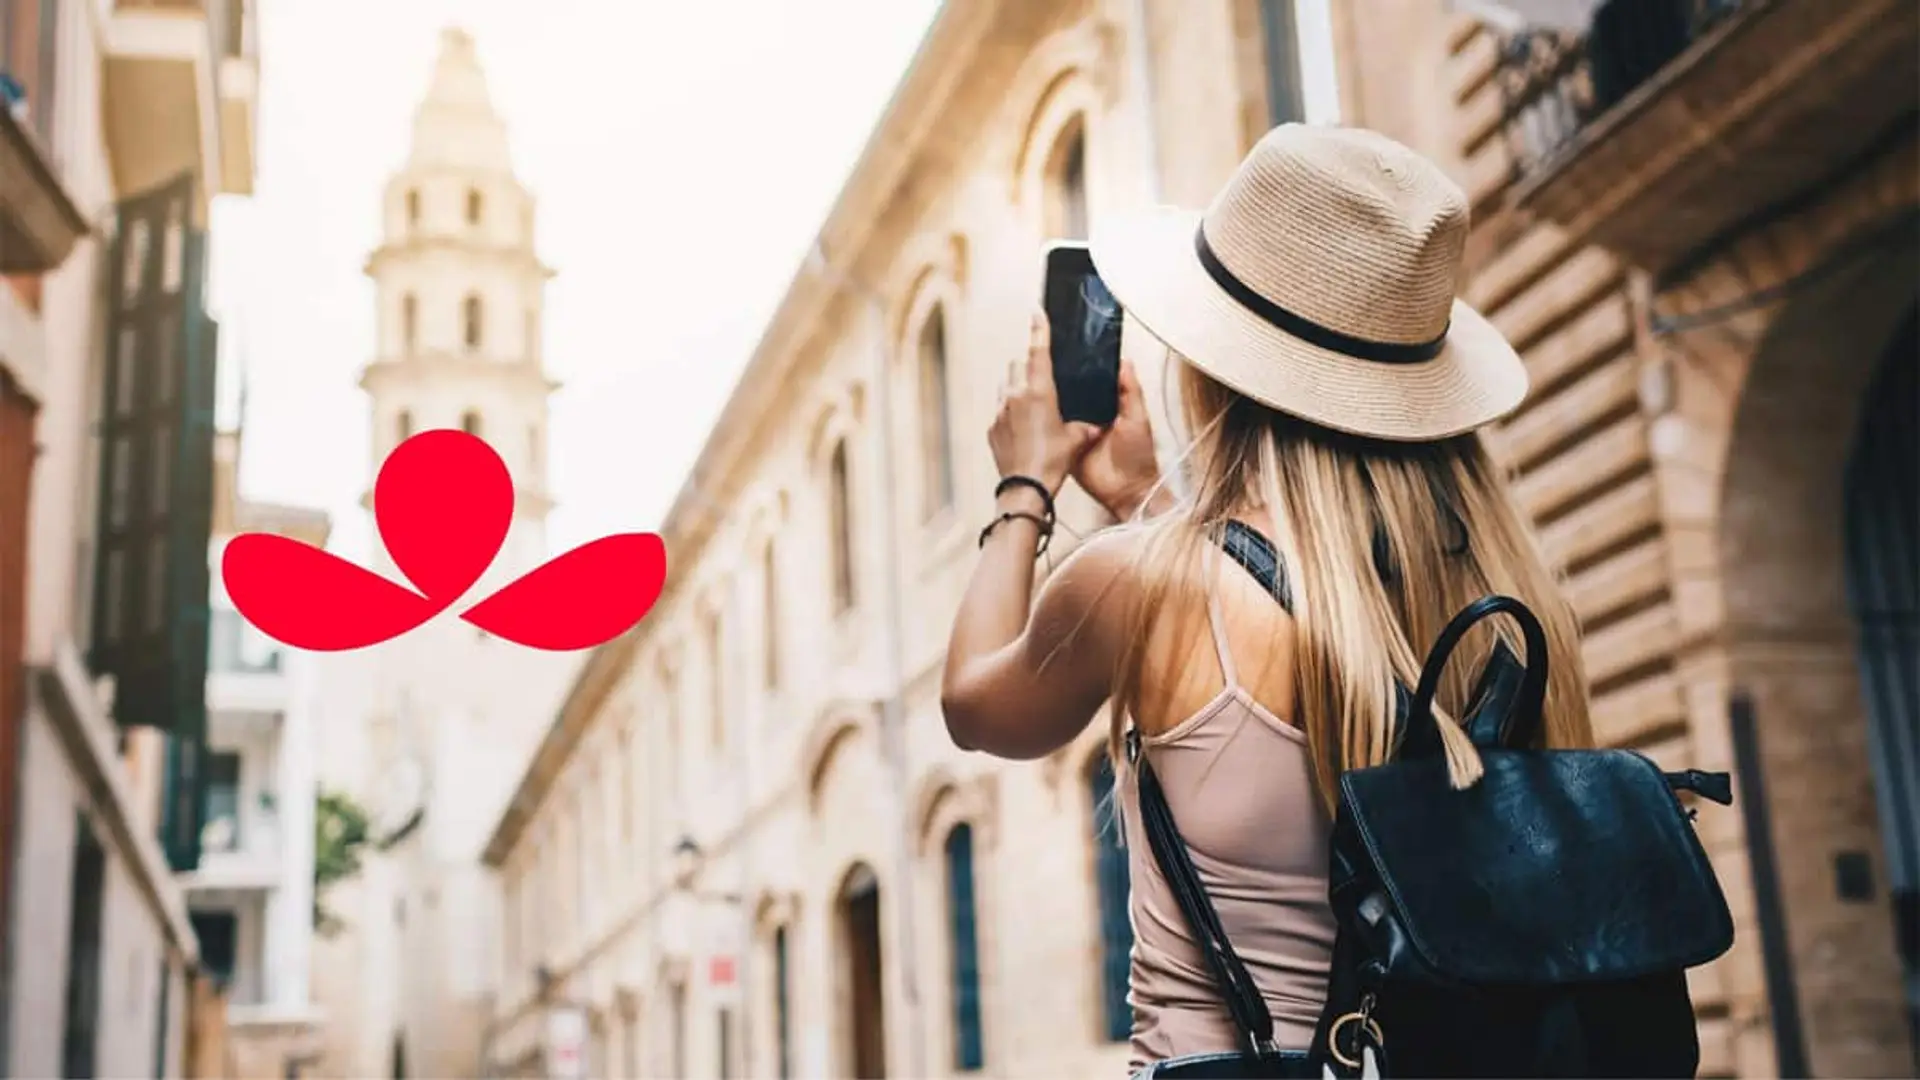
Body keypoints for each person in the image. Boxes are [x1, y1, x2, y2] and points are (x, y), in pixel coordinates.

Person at [939, 124, 1597, 1078]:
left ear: (1217, 364)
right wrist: (1142, 496)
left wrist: (1026, 486)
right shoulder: (1505, 595)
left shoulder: (1139, 581)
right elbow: (1302, 602)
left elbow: (975, 703)